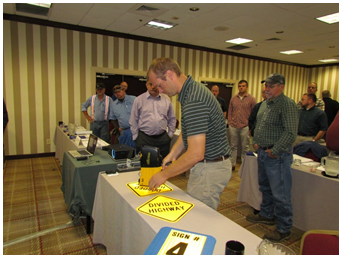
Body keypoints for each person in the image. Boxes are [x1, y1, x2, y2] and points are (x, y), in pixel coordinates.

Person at [147, 57, 232, 210]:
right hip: (209, 167)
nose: (159, 91)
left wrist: (163, 175)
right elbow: (188, 132)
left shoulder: (194, 99)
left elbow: (195, 154)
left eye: (159, 85)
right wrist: (173, 154)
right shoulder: (190, 92)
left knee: (199, 223)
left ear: (170, 75)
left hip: (210, 169)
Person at [246, 73, 299, 242]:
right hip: (262, 152)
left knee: (280, 193)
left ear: (281, 86)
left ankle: (284, 228)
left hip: (277, 156)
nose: (266, 89)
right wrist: (256, 143)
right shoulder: (266, 104)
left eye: (270, 86)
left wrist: (275, 150)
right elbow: (259, 125)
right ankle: (267, 214)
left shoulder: (287, 104)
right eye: (265, 86)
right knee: (265, 187)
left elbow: (290, 133)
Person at [129, 79, 176, 159]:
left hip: (163, 139)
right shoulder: (139, 100)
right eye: (150, 84)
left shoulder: (166, 99)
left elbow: (172, 118)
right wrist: (136, 136)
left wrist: (170, 134)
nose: (153, 87)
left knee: (163, 164)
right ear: (146, 85)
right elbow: (133, 120)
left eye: (155, 84)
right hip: (144, 139)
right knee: (146, 165)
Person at [228, 80, 256, 170]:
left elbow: (254, 113)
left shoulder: (251, 99)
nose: (241, 87)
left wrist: (251, 126)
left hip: (245, 126)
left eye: (243, 86)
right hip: (234, 126)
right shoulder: (233, 98)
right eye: (240, 86)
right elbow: (230, 111)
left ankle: (244, 165)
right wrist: (230, 123)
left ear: (247, 87)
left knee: (245, 147)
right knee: (233, 146)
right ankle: (232, 164)